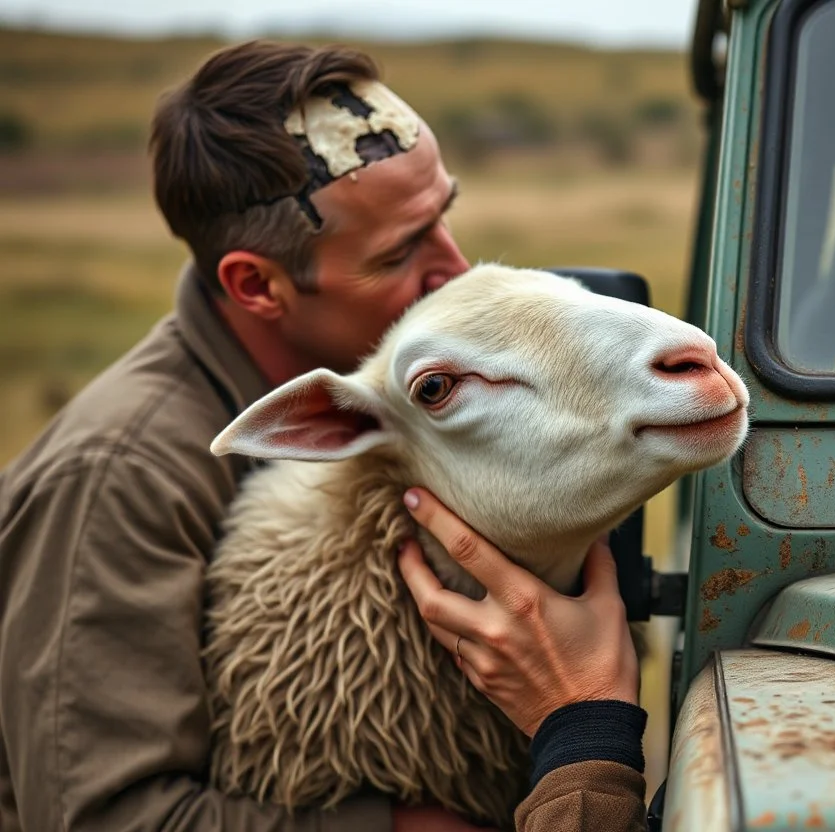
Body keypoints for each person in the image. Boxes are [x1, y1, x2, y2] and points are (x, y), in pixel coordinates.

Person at [0, 39, 647, 831]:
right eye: (401, 251)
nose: (455, 269)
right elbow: (100, 816)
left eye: (442, 215)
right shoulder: (118, 477)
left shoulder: (410, 385)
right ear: (256, 285)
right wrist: (414, 828)